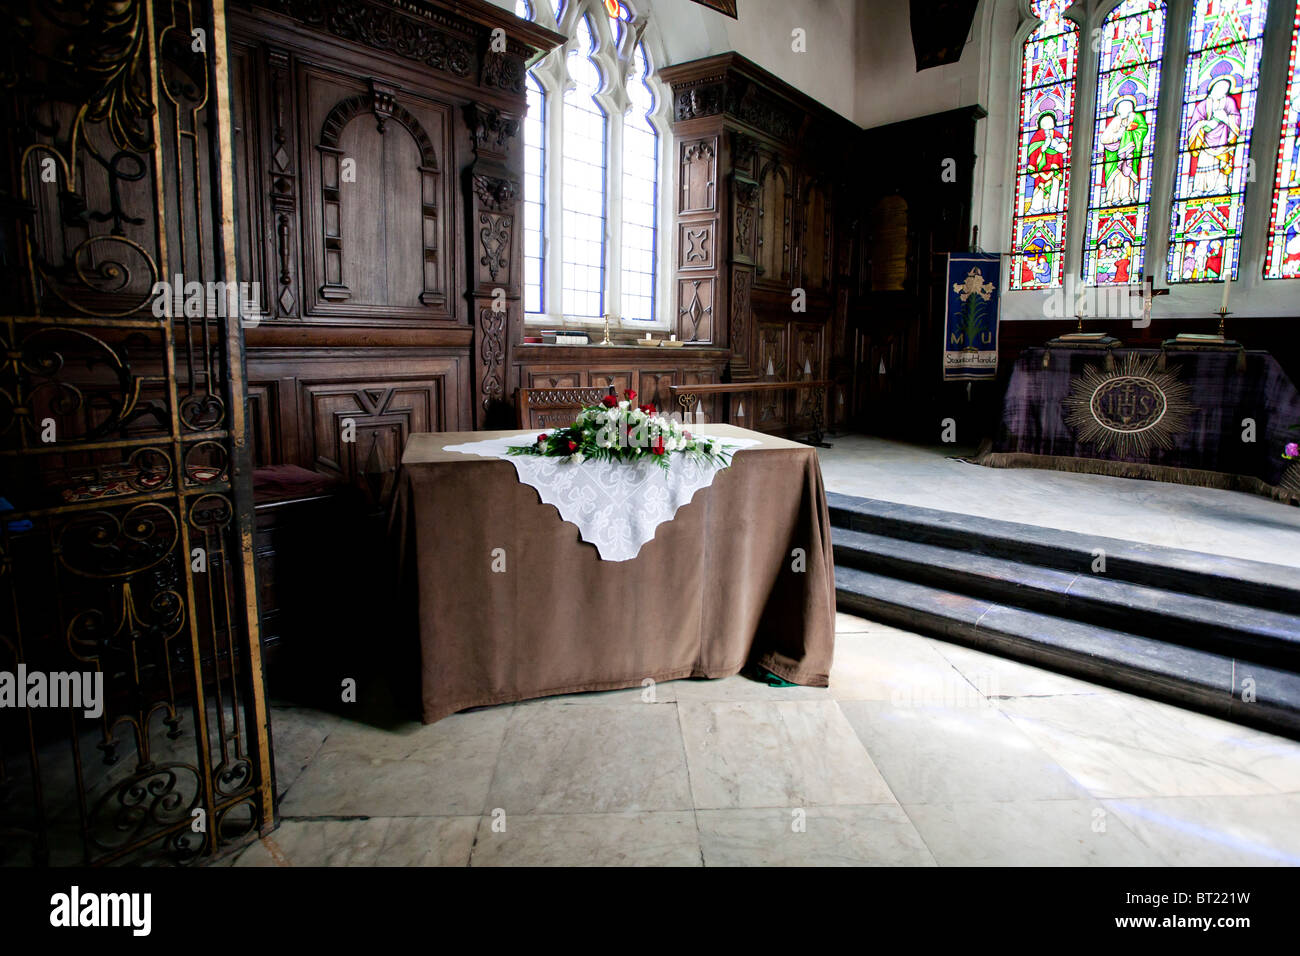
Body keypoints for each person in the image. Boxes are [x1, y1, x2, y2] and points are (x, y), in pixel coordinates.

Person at [1187, 76, 1241, 197]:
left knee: (1220, 163)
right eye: (1219, 87)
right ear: (1213, 88)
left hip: (1222, 139)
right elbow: (1194, 124)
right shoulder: (1203, 105)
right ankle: (1199, 188)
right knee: (1204, 162)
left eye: (1225, 89)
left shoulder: (1229, 102)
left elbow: (1236, 119)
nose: (1222, 90)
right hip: (1205, 141)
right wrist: (1205, 124)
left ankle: (1220, 186)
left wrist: (1226, 119)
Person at [1098, 96, 1147, 206]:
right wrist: (1118, 135)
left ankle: (1126, 196)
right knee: (1115, 176)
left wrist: (1128, 134)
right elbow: (1104, 138)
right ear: (1118, 111)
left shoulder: (1136, 117)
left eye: (1128, 107)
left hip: (1129, 154)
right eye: (1122, 108)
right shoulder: (1116, 121)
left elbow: (1142, 130)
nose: (1125, 110)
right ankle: (1112, 198)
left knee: (1126, 173)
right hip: (1114, 156)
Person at [1026, 112, 1068, 213]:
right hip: (1042, 165)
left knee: (1054, 185)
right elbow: (1032, 148)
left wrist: (1057, 146)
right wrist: (1043, 146)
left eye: (1050, 120)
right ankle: (1037, 208)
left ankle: (1052, 206)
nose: (1048, 123)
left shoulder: (1057, 134)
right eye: (1045, 121)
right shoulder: (1038, 135)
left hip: (1055, 165)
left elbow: (1063, 146)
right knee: (1040, 187)